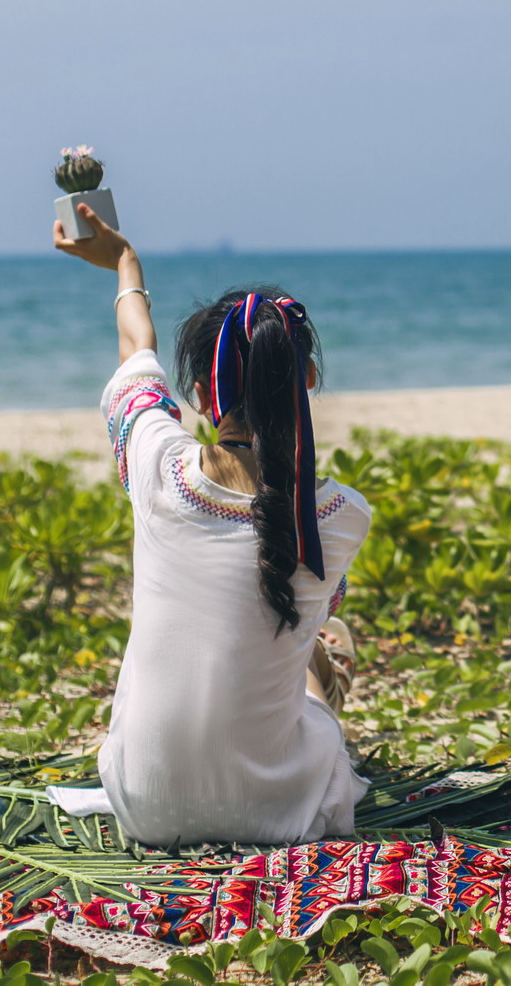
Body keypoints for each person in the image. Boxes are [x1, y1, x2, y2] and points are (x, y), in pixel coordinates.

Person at [53, 203, 373, 846]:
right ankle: (331, 663)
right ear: (306, 381)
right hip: (285, 813)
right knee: (316, 640)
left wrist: (124, 262)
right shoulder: (342, 517)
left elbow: (134, 350)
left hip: (147, 807)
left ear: (200, 394)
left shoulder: (159, 467)